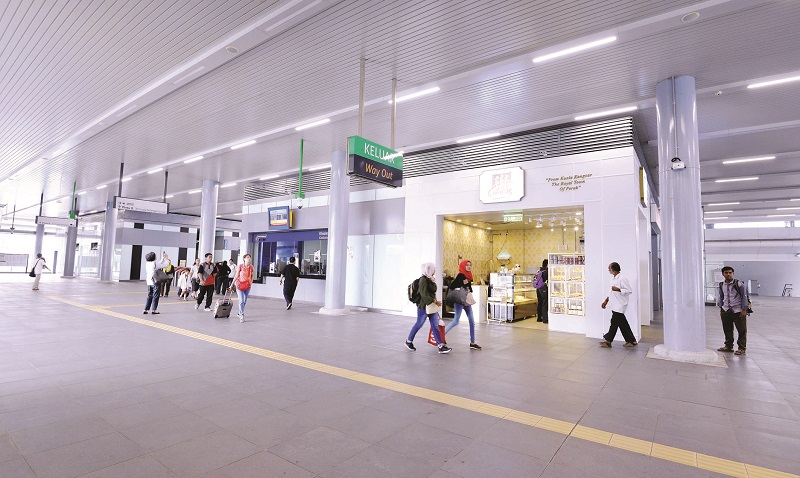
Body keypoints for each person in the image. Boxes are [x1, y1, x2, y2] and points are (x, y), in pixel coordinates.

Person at [405, 262, 452, 354]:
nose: (435, 270)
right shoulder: (423, 280)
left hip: (431, 306)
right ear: (428, 269)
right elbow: (424, 295)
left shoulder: (430, 279)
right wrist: (435, 302)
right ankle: (408, 341)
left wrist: (435, 302)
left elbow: (431, 293)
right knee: (419, 324)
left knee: (434, 325)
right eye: (433, 269)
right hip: (423, 306)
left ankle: (440, 346)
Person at [444, 260, 481, 350]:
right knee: (455, 321)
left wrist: (468, 285)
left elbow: (468, 287)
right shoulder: (461, 275)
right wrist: (463, 282)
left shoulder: (469, 275)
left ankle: (472, 342)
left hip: (467, 301)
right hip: (460, 301)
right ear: (463, 266)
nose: (469, 267)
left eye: (470, 265)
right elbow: (453, 285)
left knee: (472, 321)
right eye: (467, 265)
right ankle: (441, 336)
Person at [598, 262, 637, 347]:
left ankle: (608, 341)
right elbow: (610, 291)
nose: (609, 269)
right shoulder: (613, 279)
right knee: (622, 323)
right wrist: (606, 301)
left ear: (613, 269)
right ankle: (632, 341)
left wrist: (619, 289)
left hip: (620, 304)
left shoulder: (622, 279)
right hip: (614, 304)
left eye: (609, 268)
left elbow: (629, 291)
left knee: (614, 322)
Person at [716, 266, 748, 355]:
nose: (728, 274)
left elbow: (744, 296)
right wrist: (721, 306)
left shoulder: (739, 284)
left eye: (730, 272)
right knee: (727, 329)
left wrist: (744, 309)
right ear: (723, 274)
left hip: (738, 310)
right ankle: (728, 346)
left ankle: (741, 348)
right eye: (726, 273)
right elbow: (721, 296)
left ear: (733, 273)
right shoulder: (721, 284)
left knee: (741, 330)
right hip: (725, 310)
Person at [233, 254, 255, 322]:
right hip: (239, 285)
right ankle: (241, 315)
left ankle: (239, 312)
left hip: (247, 286)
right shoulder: (240, 266)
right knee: (241, 300)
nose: (249, 259)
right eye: (247, 257)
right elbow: (236, 276)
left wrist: (250, 283)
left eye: (250, 257)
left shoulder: (251, 267)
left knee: (244, 301)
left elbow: (252, 276)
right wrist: (232, 284)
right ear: (244, 259)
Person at [535, 259, 549, 323]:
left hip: (538, 288)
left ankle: (539, 318)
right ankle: (545, 319)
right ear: (547, 264)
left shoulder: (539, 270)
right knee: (545, 303)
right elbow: (550, 281)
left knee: (540, 302)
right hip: (543, 288)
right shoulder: (546, 271)